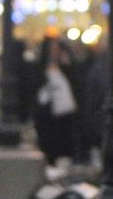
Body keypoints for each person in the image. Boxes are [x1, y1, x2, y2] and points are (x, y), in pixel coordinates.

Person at [30, 36, 80, 166]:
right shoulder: (39, 69)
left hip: (65, 116)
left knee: (64, 149)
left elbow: (76, 84)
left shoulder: (64, 68)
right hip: (47, 118)